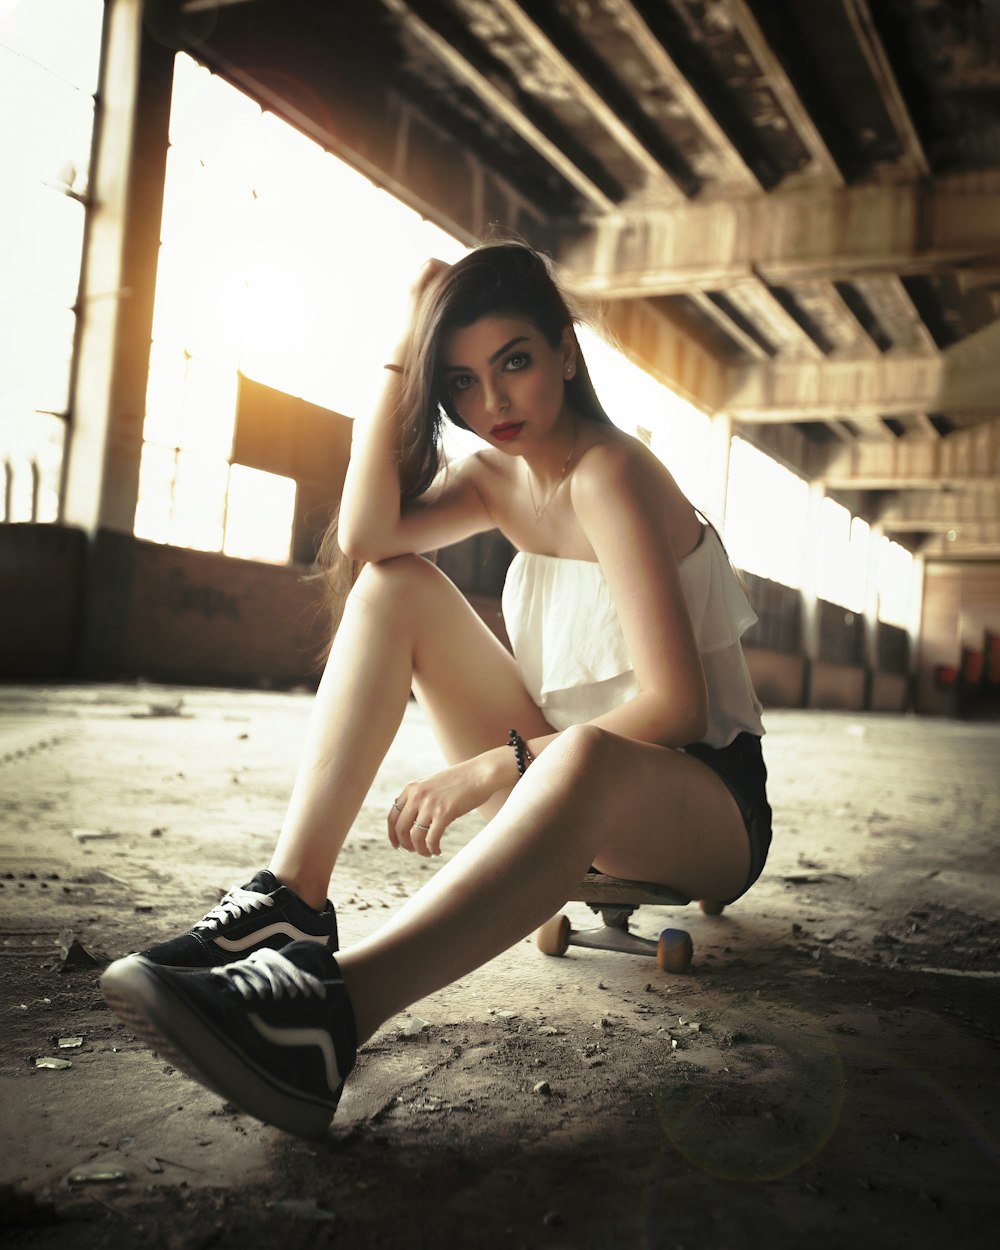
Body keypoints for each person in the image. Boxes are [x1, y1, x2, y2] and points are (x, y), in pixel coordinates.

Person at [101, 241, 771, 1140]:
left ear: (567, 354)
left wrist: (495, 768)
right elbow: (370, 535)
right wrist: (397, 352)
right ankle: (291, 905)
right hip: (561, 782)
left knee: (579, 756)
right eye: (459, 382)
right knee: (393, 584)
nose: (491, 404)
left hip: (702, 800)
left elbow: (677, 708)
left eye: (516, 363)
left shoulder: (609, 472)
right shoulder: (497, 476)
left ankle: (333, 1016)